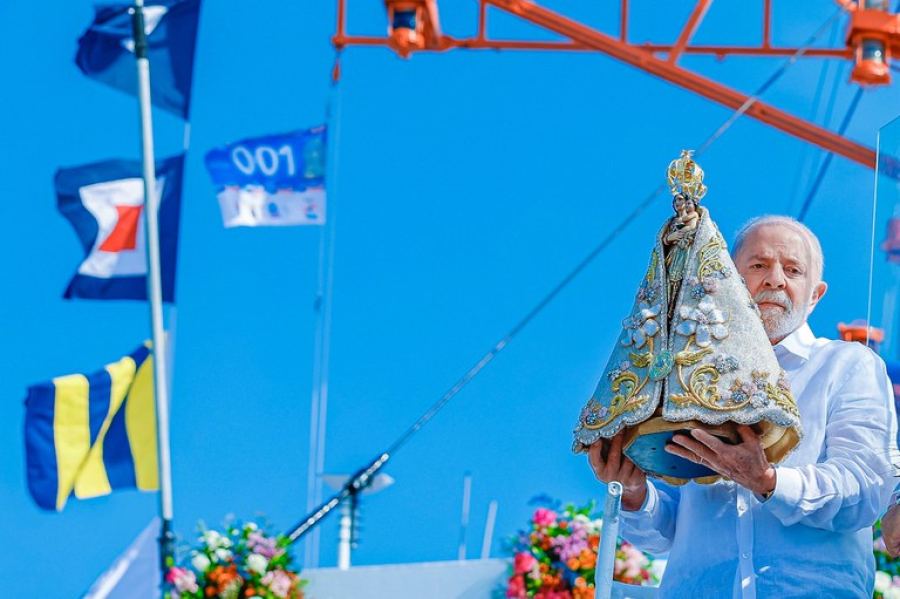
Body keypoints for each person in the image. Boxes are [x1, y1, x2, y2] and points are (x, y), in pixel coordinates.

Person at [588, 215, 898, 599]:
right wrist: (634, 491)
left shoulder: (848, 364)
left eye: (793, 269)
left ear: (815, 294)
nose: (774, 279)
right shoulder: (687, 375)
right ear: (728, 282)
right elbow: (666, 530)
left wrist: (767, 481)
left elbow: (865, 490)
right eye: (758, 265)